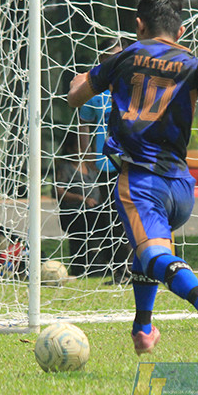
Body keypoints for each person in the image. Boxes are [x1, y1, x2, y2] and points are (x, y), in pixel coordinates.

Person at [67, 0, 198, 355]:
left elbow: (76, 95)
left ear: (139, 26)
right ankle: (143, 330)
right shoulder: (191, 62)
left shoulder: (126, 55)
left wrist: (88, 75)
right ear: (180, 33)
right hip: (181, 187)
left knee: (152, 255)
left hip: (141, 181)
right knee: (144, 250)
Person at [77, 38, 132, 284]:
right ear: (100, 60)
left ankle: (137, 268)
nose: (111, 60)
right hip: (105, 165)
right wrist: (85, 155)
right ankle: (120, 271)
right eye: (106, 56)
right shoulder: (96, 91)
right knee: (111, 218)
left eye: (116, 55)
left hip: (131, 163)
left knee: (133, 215)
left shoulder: (134, 83)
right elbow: (84, 122)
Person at [52, 130, 105, 277]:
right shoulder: (65, 168)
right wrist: (81, 198)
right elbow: (58, 192)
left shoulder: (91, 168)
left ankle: (102, 264)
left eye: (85, 146)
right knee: (90, 224)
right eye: (79, 146)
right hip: (75, 214)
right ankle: (82, 268)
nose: (84, 150)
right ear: (70, 148)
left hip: (94, 211)